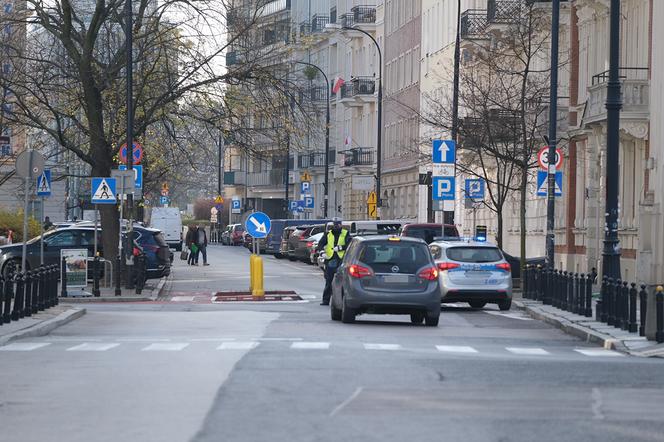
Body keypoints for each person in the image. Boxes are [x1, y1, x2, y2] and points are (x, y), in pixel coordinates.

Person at [316, 217, 349, 305]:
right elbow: (320, 244)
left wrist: (340, 247)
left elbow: (349, 244)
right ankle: (326, 300)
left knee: (342, 281)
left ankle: (342, 301)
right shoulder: (328, 234)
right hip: (331, 259)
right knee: (329, 280)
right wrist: (322, 252)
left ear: (341, 225)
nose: (336, 226)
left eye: (338, 224)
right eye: (335, 224)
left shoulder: (345, 233)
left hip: (342, 260)